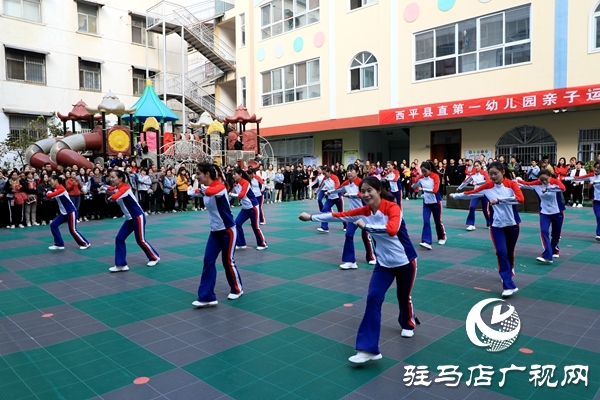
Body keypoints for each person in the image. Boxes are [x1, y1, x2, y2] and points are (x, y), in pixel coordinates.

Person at [298, 176, 418, 363]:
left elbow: (392, 230)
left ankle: (408, 323)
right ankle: (368, 349)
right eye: (363, 191)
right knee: (373, 298)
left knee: (403, 296)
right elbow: (338, 216)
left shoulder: (393, 208)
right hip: (384, 264)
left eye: (369, 190)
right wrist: (311, 217)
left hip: (405, 262)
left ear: (379, 190)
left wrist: (366, 226)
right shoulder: (364, 211)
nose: (365, 194)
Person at [450, 162, 524, 297]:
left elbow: (520, 199)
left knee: (509, 252)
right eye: (491, 174)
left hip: (513, 224)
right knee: (501, 252)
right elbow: (472, 193)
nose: (493, 177)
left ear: (503, 172)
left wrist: (500, 200)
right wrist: (456, 195)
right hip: (496, 226)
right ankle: (508, 285)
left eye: (496, 174)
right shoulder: (488, 187)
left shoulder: (512, 184)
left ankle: (509, 270)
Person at [193, 162, 243, 307]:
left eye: (198, 174)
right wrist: (194, 191)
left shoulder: (219, 187)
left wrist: (201, 189)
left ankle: (237, 288)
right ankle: (207, 296)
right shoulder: (208, 188)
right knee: (208, 261)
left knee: (228, 261)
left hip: (228, 230)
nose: (197, 176)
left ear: (207, 174)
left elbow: (209, 191)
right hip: (215, 232)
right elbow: (201, 192)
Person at [105, 170, 160, 272]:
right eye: (110, 177)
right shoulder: (118, 188)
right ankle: (121, 265)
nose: (111, 179)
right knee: (119, 238)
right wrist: (103, 187)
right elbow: (110, 188)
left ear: (120, 179)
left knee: (140, 240)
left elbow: (115, 196)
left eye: (113, 177)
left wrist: (109, 197)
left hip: (138, 217)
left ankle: (155, 257)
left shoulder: (125, 188)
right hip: (129, 219)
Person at [326, 164, 376, 269]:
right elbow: (338, 189)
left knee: (366, 236)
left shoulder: (362, 183)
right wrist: (329, 192)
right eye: (348, 170)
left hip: (365, 214)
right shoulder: (346, 183)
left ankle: (372, 257)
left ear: (357, 172)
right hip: (353, 214)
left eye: (351, 170)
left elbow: (361, 195)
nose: (349, 172)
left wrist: (350, 195)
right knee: (348, 234)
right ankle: (350, 261)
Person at [517, 170, 566, 263]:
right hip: (544, 213)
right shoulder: (537, 184)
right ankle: (547, 255)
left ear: (550, 176)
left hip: (557, 212)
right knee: (544, 231)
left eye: (545, 179)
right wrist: (516, 180)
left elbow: (563, 188)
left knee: (556, 234)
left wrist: (548, 189)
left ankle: (554, 249)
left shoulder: (555, 182)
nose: (543, 182)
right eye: (541, 180)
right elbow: (525, 184)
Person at [45, 175, 90, 250]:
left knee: (72, 230)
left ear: (56, 180)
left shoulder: (61, 189)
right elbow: (51, 194)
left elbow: (50, 196)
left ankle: (85, 243)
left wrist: (48, 193)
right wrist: (49, 192)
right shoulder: (57, 189)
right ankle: (59, 244)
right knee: (53, 225)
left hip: (71, 212)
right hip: (64, 213)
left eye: (51, 180)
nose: (50, 183)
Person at [230, 167, 268, 250]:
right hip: (245, 208)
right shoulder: (235, 184)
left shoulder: (245, 183)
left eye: (234, 174)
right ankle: (241, 243)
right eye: (232, 174)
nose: (233, 176)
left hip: (253, 207)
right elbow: (230, 193)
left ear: (240, 174)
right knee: (237, 223)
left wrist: (231, 194)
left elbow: (241, 195)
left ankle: (263, 244)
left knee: (255, 226)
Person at [411, 161, 446, 249]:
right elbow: (414, 185)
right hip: (426, 203)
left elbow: (435, 190)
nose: (423, 173)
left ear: (429, 169)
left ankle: (442, 237)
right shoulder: (421, 177)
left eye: (425, 171)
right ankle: (426, 241)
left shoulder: (435, 176)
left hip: (436, 202)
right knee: (426, 221)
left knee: (438, 221)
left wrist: (423, 189)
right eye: (422, 171)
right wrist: (414, 183)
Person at [565, 161, 600, 240]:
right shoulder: (591, 175)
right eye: (595, 167)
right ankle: (599, 234)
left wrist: (594, 182)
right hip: (596, 200)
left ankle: (599, 233)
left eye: (598, 168)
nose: (596, 169)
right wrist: (564, 178)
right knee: (598, 216)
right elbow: (578, 178)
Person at [457, 160, 491, 231]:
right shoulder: (472, 174)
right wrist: (459, 187)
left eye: (477, 165)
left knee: (486, 210)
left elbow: (488, 182)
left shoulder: (484, 173)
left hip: (485, 194)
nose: (476, 167)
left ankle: (489, 223)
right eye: (475, 166)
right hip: (476, 193)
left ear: (481, 166)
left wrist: (478, 183)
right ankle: (471, 224)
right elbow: (466, 181)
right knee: (472, 207)